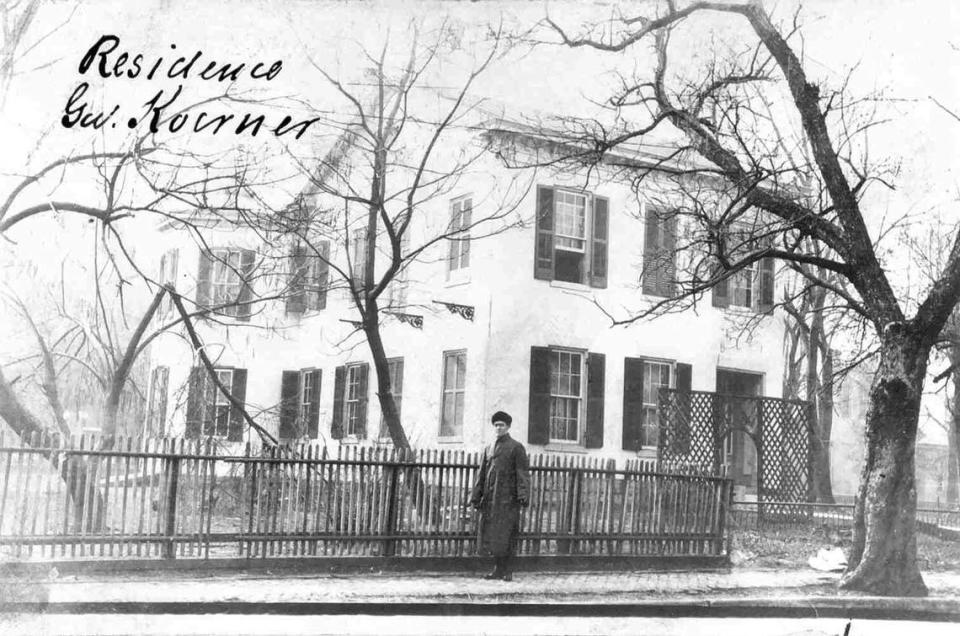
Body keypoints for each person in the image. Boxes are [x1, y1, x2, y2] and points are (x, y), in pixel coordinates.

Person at [470, 410, 530, 581]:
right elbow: (481, 474)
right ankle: (497, 569)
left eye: (501, 425)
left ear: (508, 427)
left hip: (507, 500)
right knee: (492, 536)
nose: (498, 428)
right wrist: (476, 495)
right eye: (496, 425)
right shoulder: (488, 448)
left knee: (507, 535)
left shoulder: (516, 447)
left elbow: (522, 473)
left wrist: (522, 495)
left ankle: (508, 571)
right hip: (490, 500)